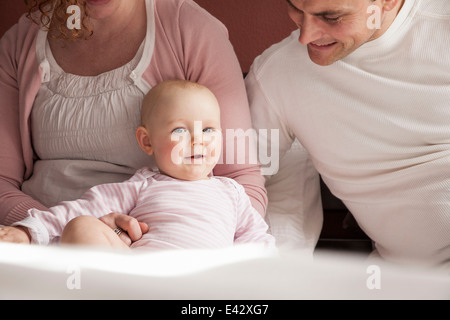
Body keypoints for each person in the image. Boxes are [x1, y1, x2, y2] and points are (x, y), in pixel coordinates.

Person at [0, 0, 267, 229]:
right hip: (38, 240)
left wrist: (178, 243)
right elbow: (2, 182)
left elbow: (241, 180)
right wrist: (51, 231)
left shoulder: (192, 31)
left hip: (155, 245)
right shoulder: (21, 41)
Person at [246, 0, 450, 267]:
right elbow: (236, 182)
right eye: (296, 8)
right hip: (412, 280)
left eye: (331, 17)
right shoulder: (275, 75)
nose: (306, 35)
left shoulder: (440, 27)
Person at [0, 80, 276, 250]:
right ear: (147, 142)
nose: (197, 142)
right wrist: (26, 232)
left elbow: (257, 242)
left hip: (204, 285)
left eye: (208, 130)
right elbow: (78, 209)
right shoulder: (142, 185)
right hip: (140, 279)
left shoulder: (232, 192)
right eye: (180, 131)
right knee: (81, 226)